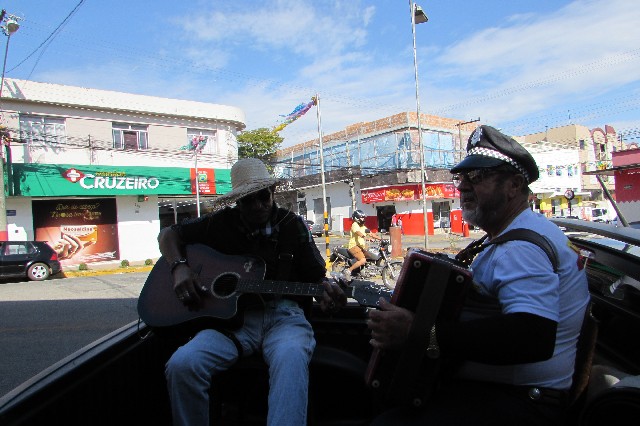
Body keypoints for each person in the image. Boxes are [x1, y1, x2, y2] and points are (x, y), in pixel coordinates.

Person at [368, 125, 590, 425]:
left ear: (513, 185)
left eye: (478, 177)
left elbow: (531, 336)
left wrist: (419, 333)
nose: (462, 187)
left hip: (519, 402)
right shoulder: (508, 235)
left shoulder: (521, 248)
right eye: (462, 177)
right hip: (496, 393)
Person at [159, 158, 346, 426]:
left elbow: (317, 278)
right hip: (231, 325)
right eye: (249, 200)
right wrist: (179, 268)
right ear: (238, 202)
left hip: (285, 318)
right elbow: (168, 234)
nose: (258, 205)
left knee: (291, 357)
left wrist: (328, 293)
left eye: (263, 197)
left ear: (272, 194)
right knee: (182, 365)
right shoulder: (217, 224)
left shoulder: (293, 226)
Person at [344, 209, 382, 279]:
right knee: (363, 260)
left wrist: (380, 239)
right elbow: (358, 233)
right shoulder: (354, 225)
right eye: (362, 217)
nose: (363, 219)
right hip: (354, 246)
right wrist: (366, 238)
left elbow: (371, 233)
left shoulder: (363, 226)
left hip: (361, 247)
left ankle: (364, 270)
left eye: (364, 217)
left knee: (370, 256)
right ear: (357, 218)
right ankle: (348, 271)